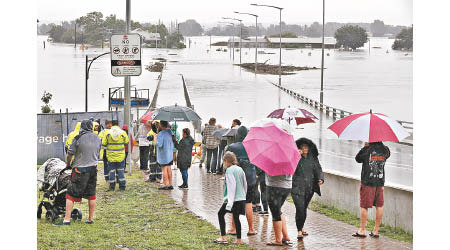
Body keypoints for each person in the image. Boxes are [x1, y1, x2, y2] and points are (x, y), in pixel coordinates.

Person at [55, 120, 101, 225]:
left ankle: (66, 220)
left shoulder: (78, 138)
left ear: (82, 127)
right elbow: (97, 152)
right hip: (93, 169)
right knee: (91, 195)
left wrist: (68, 164)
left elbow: (69, 154)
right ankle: (90, 219)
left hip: (79, 170)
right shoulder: (98, 138)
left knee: (70, 194)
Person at [353, 141, 390, 238]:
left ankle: (362, 230)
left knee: (364, 206)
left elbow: (357, 159)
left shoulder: (367, 149)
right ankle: (376, 231)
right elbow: (387, 156)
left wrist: (365, 147)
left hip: (368, 183)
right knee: (379, 205)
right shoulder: (385, 149)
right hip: (380, 182)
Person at [225, 126, 257, 236]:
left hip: (237, 179)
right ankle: (251, 229)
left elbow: (227, 164)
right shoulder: (253, 147)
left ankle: (233, 229)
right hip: (251, 178)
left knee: (235, 202)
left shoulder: (231, 147)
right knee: (248, 203)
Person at [292, 138, 324, 240]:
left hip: (309, 188)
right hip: (296, 188)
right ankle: (299, 230)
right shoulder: (295, 157)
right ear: (299, 148)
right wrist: (296, 155)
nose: (305, 149)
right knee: (300, 208)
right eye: (302, 147)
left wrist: (321, 178)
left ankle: (301, 226)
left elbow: (319, 169)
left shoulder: (313, 157)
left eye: (306, 147)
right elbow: (291, 167)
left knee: (304, 208)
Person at [214, 152, 247, 245]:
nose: (224, 164)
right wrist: (244, 194)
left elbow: (232, 187)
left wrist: (229, 202)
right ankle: (239, 239)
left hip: (232, 198)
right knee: (236, 218)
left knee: (220, 214)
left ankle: (223, 237)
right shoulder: (240, 169)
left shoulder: (229, 171)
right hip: (241, 197)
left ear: (226, 161)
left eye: (224, 162)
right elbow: (245, 184)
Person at [266, 173, 293, 246]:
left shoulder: (271, 161)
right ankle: (286, 236)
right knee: (278, 211)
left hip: (274, 186)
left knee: (275, 213)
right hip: (287, 186)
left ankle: (278, 240)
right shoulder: (289, 161)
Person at [102, 120, 129, 191]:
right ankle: (122, 186)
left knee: (111, 171)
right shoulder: (123, 132)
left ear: (112, 124)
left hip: (110, 156)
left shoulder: (107, 133)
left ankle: (112, 187)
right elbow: (126, 142)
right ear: (118, 124)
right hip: (121, 156)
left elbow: (103, 144)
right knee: (121, 171)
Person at [156, 121, 174, 190]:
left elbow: (159, 145)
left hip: (163, 154)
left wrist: (155, 139)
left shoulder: (161, 134)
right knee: (169, 168)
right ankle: (170, 184)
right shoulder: (170, 132)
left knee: (164, 169)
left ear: (161, 125)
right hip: (170, 153)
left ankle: (165, 184)